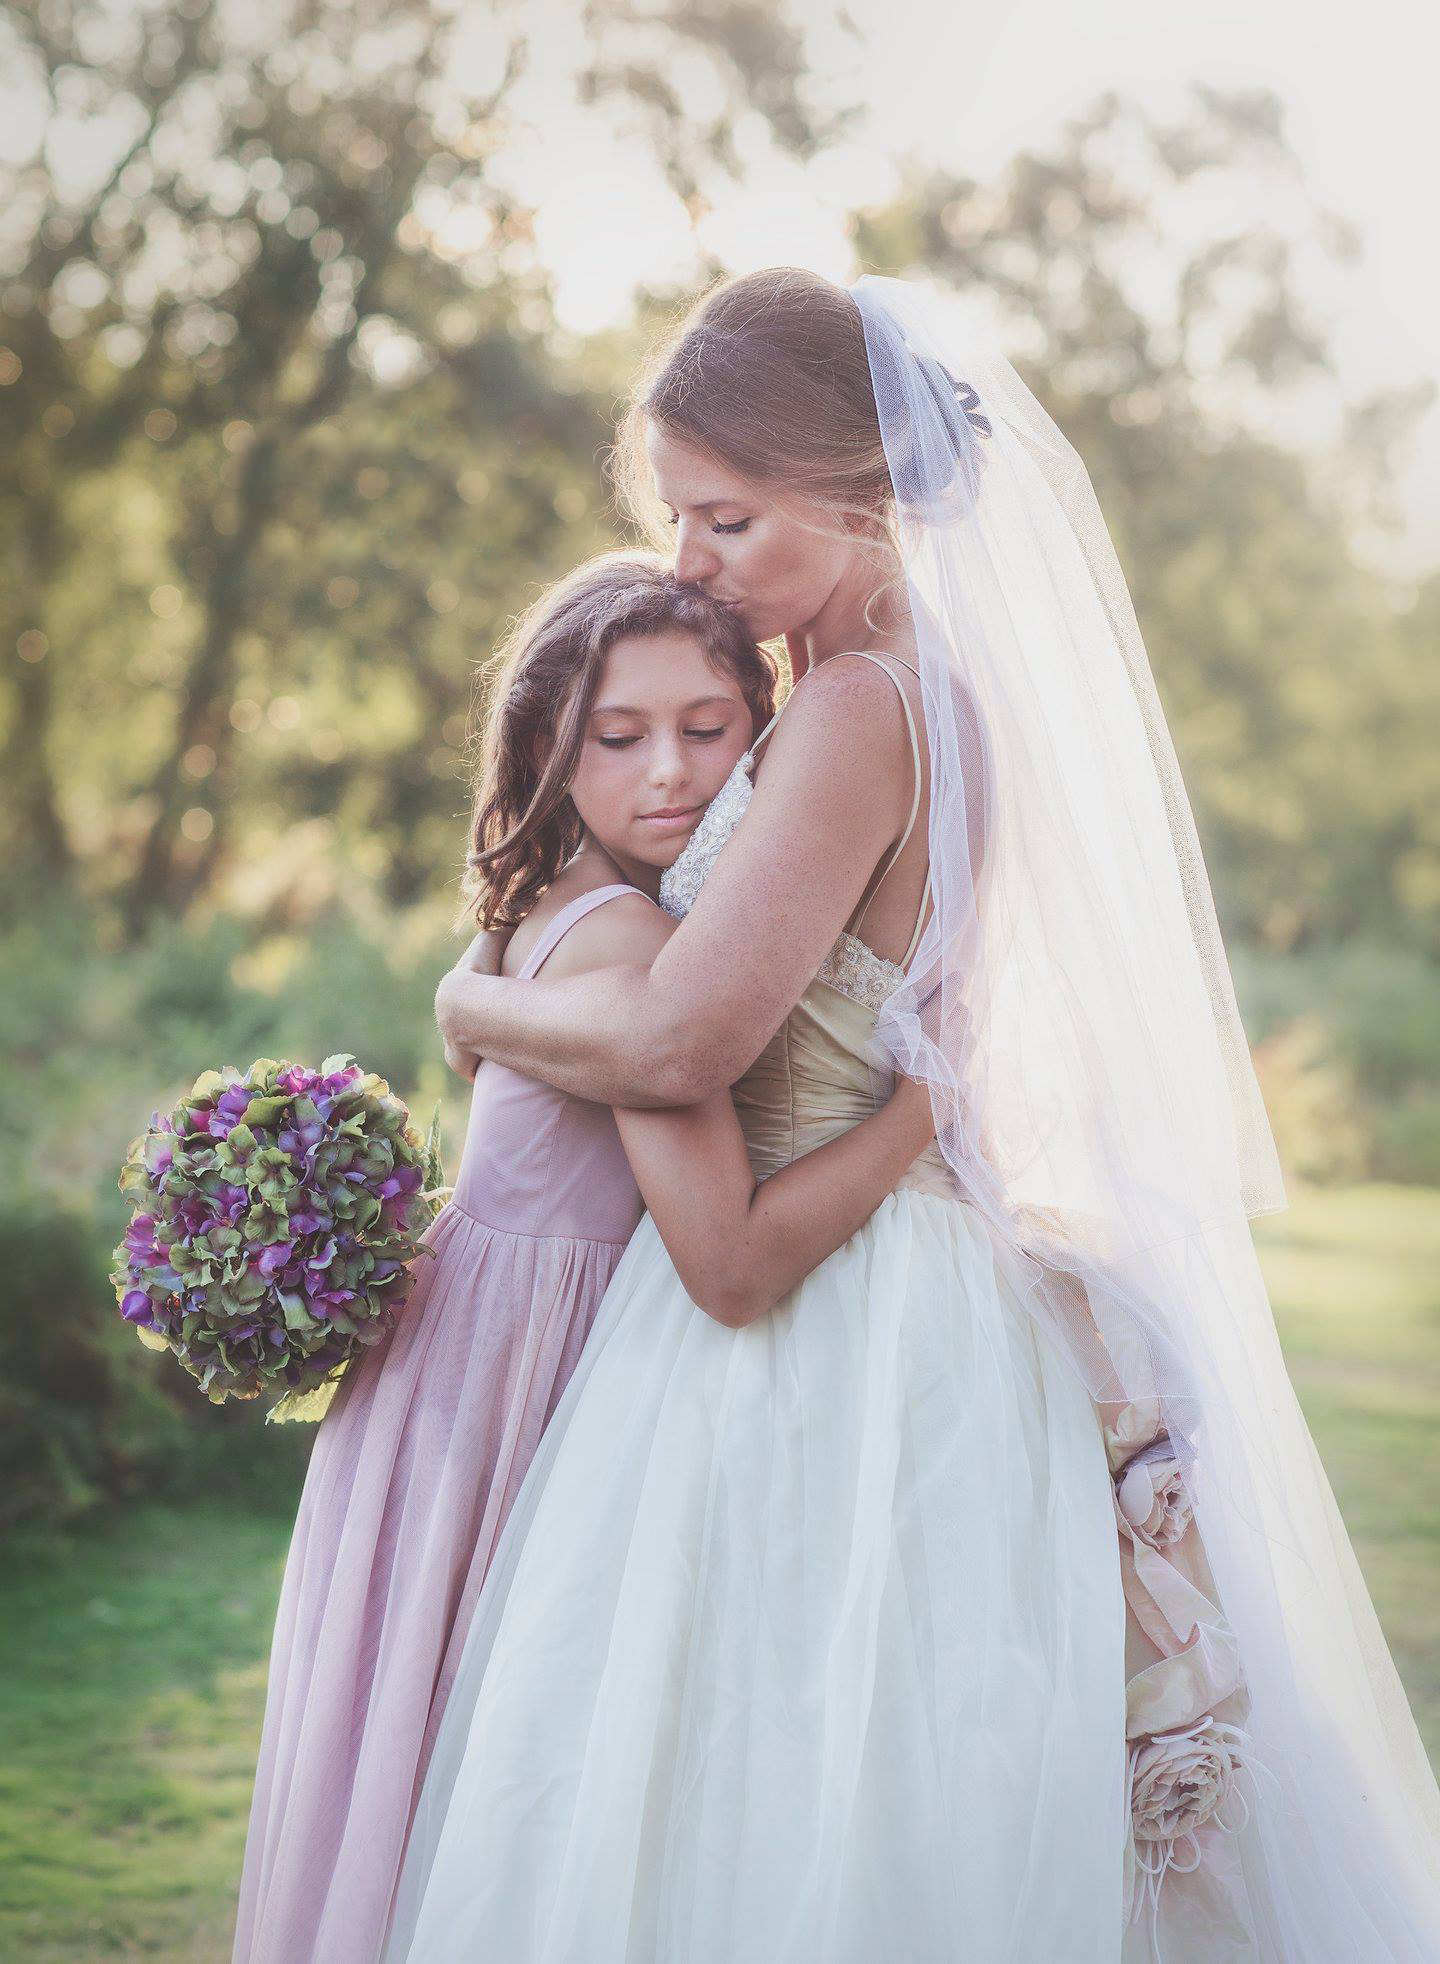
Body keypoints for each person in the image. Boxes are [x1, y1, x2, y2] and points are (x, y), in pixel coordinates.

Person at [386, 268, 1440, 1961]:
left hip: (827, 1314)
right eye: (678, 519)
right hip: (868, 1265)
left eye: (725, 518)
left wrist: (472, 1003)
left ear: (861, 495)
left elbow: (677, 1047)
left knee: (788, 1776)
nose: (689, 565)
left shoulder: (866, 708)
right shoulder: (882, 696)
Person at [231, 550, 937, 1964]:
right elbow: (729, 1259)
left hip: (449, 1387)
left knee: (420, 1767)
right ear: (549, 748)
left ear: (763, 739)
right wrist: (933, 1106)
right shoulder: (627, 944)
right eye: (618, 738)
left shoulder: (553, 903)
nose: (668, 774)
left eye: (711, 730)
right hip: (513, 1395)